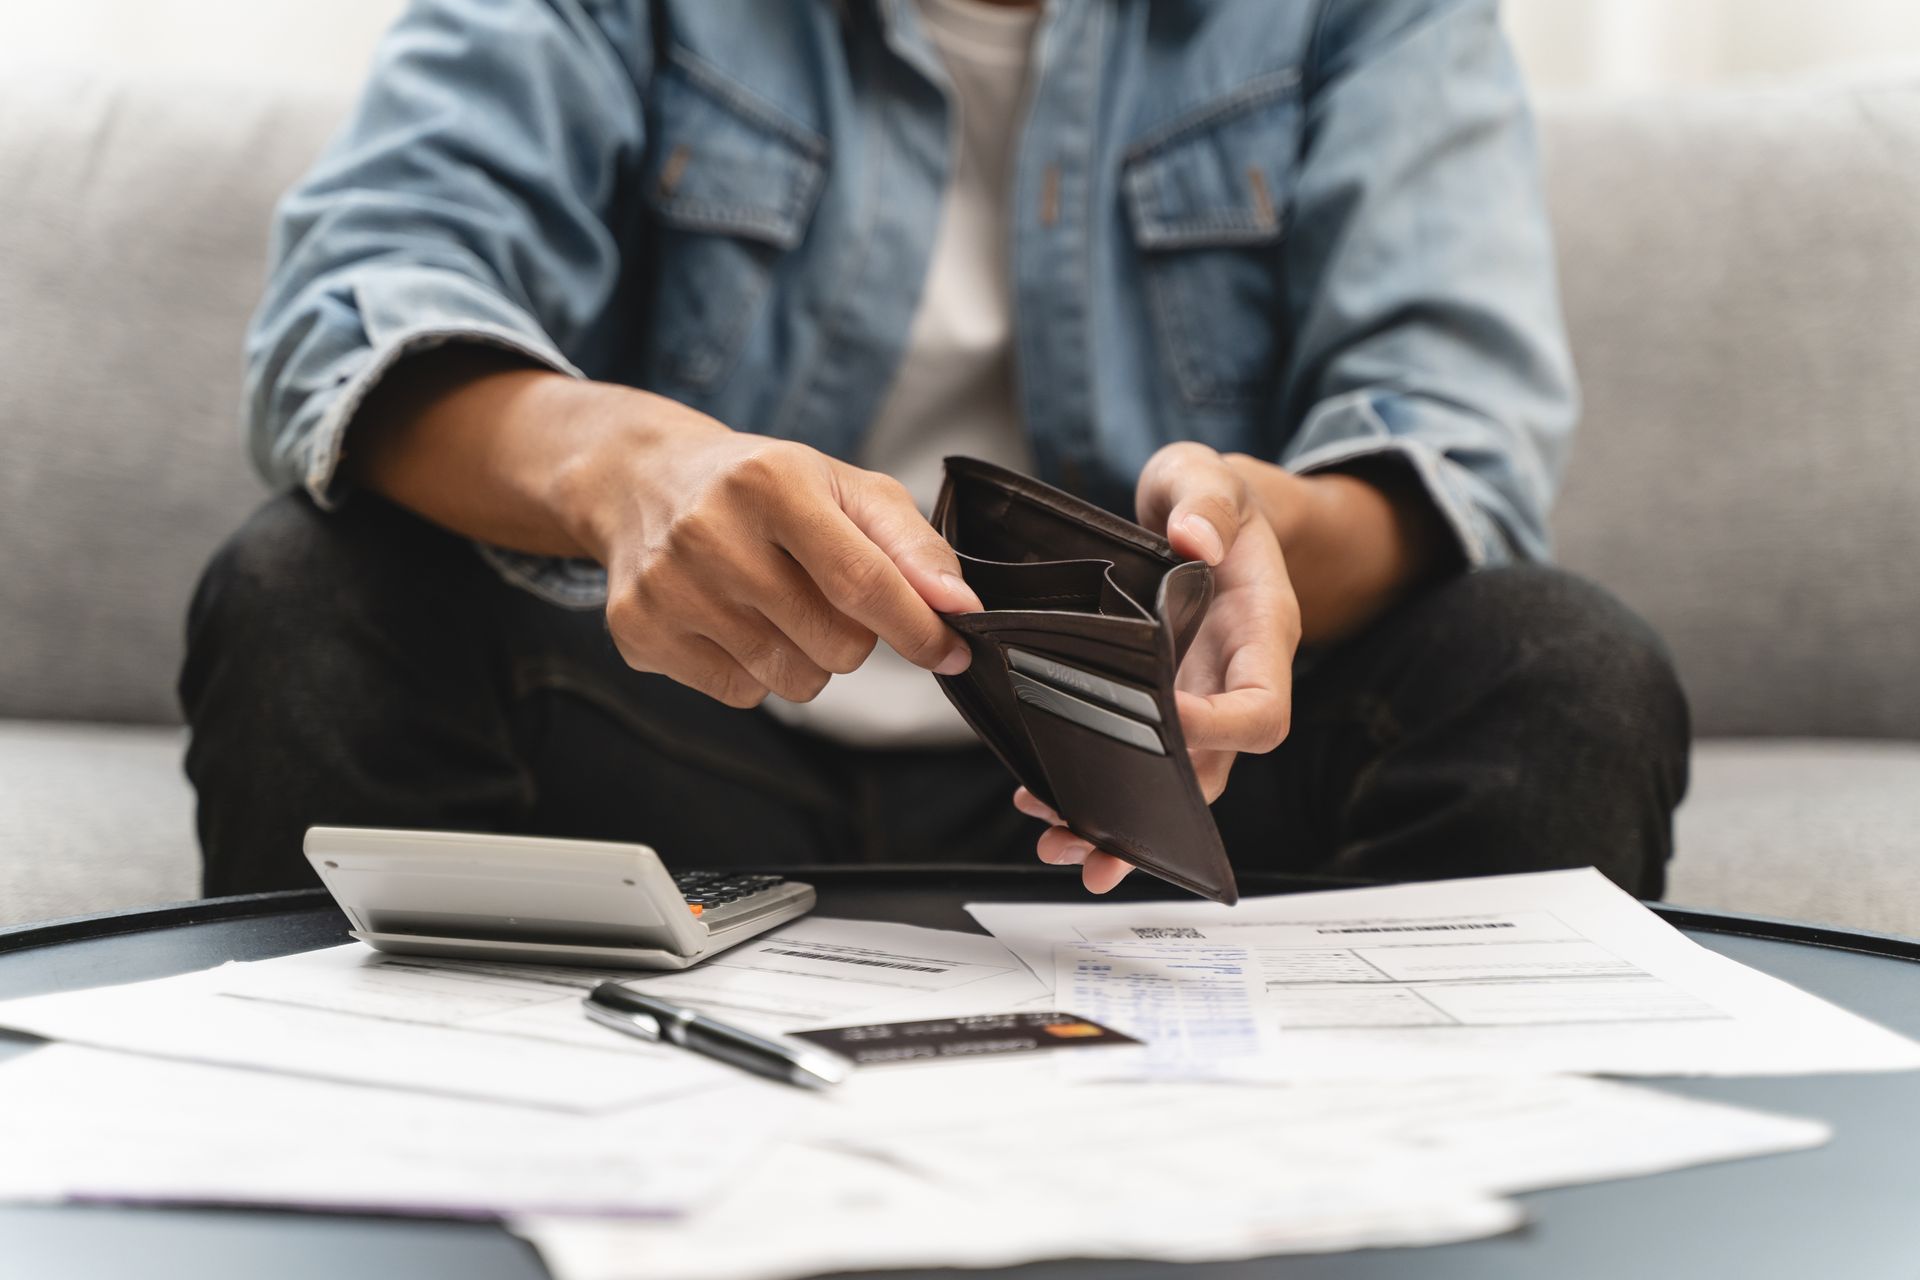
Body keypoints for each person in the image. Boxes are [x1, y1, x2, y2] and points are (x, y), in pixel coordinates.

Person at [181, 0, 1688, 900]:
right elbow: (352, 302)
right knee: (306, 596)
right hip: (674, 736)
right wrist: (628, 465)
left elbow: (1453, 428)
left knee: (1558, 669)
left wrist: (1257, 541)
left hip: (1160, 790)